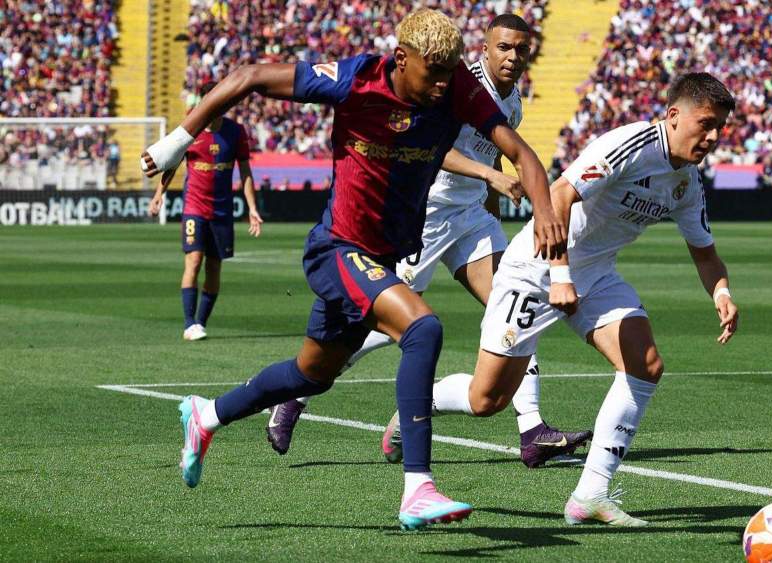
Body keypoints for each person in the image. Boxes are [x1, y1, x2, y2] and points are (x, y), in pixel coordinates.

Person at [139, 9, 565, 531]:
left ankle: (206, 415)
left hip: (381, 256)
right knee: (422, 327)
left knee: (310, 374)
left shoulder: (457, 89)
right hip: (337, 249)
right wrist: (174, 143)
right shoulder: (355, 79)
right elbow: (247, 77)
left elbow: (521, 154)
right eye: (431, 74)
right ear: (401, 60)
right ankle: (417, 488)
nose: (440, 86)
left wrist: (545, 214)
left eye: (447, 73)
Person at [265, 13, 592, 470]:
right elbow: (441, 147)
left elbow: (493, 148)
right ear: (484, 48)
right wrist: (488, 176)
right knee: (384, 322)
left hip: (470, 217)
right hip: (426, 213)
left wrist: (489, 204)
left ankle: (532, 430)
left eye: (521, 49)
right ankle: (297, 393)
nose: (513, 58)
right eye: (504, 47)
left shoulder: (512, 99)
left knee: (519, 301)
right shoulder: (454, 84)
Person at [420, 72, 740, 526]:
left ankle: (591, 495)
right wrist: (560, 276)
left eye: (719, 129)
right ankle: (421, 403)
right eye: (705, 124)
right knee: (486, 399)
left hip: (594, 276)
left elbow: (705, 254)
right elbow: (559, 196)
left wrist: (722, 292)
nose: (711, 137)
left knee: (644, 364)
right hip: (535, 270)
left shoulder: (686, 183)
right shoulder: (630, 145)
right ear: (673, 116)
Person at [148, 82, 263, 340]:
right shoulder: (190, 128)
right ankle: (189, 323)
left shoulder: (235, 132)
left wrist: (252, 208)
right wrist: (159, 195)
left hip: (222, 212)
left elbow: (245, 172)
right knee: (194, 260)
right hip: (194, 208)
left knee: (214, 267)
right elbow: (172, 165)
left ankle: (200, 323)